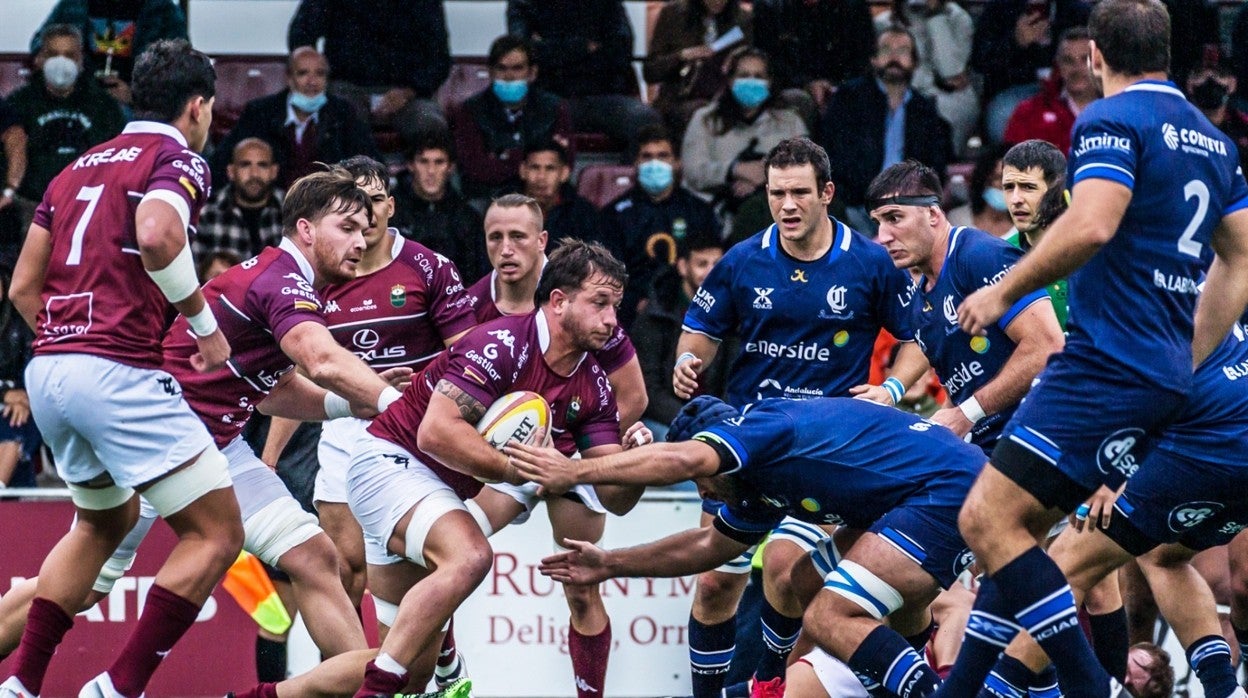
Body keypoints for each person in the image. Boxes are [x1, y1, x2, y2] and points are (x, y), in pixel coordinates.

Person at [937, 1, 1248, 696]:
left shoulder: (1110, 119)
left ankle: (1086, 688)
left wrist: (999, 291)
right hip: (1163, 373)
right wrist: (1186, 353)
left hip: (1104, 365)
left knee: (986, 521)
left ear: (1095, 57)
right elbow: (1244, 261)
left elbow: (1093, 225)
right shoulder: (1213, 140)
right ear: (1167, 51)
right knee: (1023, 538)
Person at [233, 240, 633, 698]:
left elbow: (615, 498)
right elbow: (435, 434)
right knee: (471, 556)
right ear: (559, 302)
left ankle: (260, 697)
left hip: (432, 490)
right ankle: (387, 687)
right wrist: (514, 469)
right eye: (600, 304)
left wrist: (630, 460)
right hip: (388, 462)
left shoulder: (595, 385)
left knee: (411, 670)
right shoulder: (500, 342)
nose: (611, 320)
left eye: (615, 306)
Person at [2, 39, 242, 698]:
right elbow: (161, 233)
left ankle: (21, 686)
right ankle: (118, 688)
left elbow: (25, 285)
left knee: (102, 523)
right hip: (116, 372)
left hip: (49, 367)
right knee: (217, 533)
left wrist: (70, 344)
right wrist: (203, 324)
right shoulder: (177, 157)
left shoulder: (73, 168)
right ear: (198, 107)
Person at [509, 394, 985, 698]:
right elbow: (707, 548)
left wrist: (574, 471)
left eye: (702, 481)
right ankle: (809, 677)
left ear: (720, 450)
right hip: (918, 497)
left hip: (945, 491)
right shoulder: (753, 484)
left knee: (829, 615)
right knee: (803, 580)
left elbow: (683, 457)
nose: (702, 494)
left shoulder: (762, 429)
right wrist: (610, 563)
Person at [673, 136, 915, 698]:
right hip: (747, 448)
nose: (787, 205)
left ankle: (773, 684)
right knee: (712, 584)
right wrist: (689, 362)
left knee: (788, 572)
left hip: (824, 451)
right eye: (777, 193)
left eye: (800, 193)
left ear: (826, 193)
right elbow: (700, 333)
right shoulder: (742, 260)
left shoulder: (870, 262)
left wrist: (894, 387)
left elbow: (917, 338)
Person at [970, 302, 1248, 698]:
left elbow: (1151, 379)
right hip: (1230, 436)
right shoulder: (1196, 271)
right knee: (1164, 556)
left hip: (1207, 440)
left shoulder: (1124, 279)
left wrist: (1116, 471)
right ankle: (1226, 690)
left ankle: (1001, 691)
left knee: (1067, 566)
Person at [304, 155, 475, 646]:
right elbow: (300, 374)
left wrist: (421, 390)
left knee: (416, 572)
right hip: (341, 428)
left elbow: (469, 360)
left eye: (375, 199)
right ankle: (345, 675)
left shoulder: (429, 266)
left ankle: (440, 658)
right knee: (344, 568)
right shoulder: (320, 277)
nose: (368, 213)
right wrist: (271, 456)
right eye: (355, 203)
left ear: (391, 205)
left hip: (411, 434)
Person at [858, 159, 1064, 456]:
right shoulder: (918, 307)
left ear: (932, 213)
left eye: (894, 217)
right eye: (878, 223)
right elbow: (962, 391)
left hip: (1041, 436)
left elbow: (1047, 345)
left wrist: (967, 414)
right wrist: (942, 424)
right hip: (986, 451)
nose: (885, 235)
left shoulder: (979, 255)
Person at [821, 26, 952, 235]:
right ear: (874, 59)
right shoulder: (848, 99)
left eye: (902, 51)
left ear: (915, 63)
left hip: (906, 205)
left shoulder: (924, 109)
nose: (894, 57)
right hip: (856, 204)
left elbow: (935, 167)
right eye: (886, 50)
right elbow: (833, 156)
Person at [596, 124, 720, 328]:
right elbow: (606, 273)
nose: (655, 163)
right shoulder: (614, 215)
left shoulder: (699, 212)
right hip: (631, 314)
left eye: (663, 156)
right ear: (636, 163)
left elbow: (713, 268)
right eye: (647, 156)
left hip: (690, 309)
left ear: (676, 163)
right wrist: (634, 303)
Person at [287, 0, 450, 148]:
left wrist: (409, 91)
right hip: (346, 88)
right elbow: (300, 36)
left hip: (409, 95)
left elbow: (439, 59)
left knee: (431, 125)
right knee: (339, 120)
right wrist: (315, 74)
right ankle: (343, 180)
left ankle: (414, 180)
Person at [212, 47, 379, 189]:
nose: (312, 82)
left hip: (328, 208)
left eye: (319, 74)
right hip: (273, 210)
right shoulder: (259, 112)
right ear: (289, 78)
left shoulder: (343, 114)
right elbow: (222, 162)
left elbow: (372, 164)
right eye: (303, 73)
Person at [506, 0, 661, 153]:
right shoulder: (525, 3)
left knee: (646, 121)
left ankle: (622, 178)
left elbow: (621, 52)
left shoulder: (607, 4)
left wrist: (549, 49)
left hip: (601, 96)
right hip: (545, 98)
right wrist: (583, 47)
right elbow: (522, 53)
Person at [6, 24, 125, 216]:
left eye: (69, 55)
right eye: (53, 54)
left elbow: (119, 161)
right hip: (32, 206)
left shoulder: (105, 107)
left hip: (90, 206)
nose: (61, 62)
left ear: (81, 61)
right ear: (39, 59)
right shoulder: (18, 104)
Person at [680, 47, 807, 212]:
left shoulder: (790, 121)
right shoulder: (705, 119)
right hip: (715, 212)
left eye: (758, 76)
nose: (751, 81)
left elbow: (806, 168)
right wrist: (734, 170)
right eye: (744, 75)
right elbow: (693, 172)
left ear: (769, 82)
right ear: (731, 80)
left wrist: (767, 177)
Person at [630, 228, 727, 439]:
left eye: (717, 265)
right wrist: (694, 424)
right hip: (663, 419)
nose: (712, 273)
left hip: (718, 419)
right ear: (683, 267)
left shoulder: (732, 313)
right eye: (702, 264)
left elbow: (733, 380)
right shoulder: (657, 313)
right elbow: (648, 390)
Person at [451, 35, 574, 199]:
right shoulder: (470, 111)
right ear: (491, 72)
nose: (509, 76)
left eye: (517, 68)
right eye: (501, 68)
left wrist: (506, 158)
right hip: (488, 196)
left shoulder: (555, 109)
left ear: (532, 73)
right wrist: (527, 161)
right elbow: (476, 169)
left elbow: (564, 164)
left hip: (543, 196)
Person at [30, 0, 189, 105]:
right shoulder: (74, 5)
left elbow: (181, 64)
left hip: (137, 108)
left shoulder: (161, 10)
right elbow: (38, 44)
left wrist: (135, 96)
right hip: (78, 99)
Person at [874, 0, 979, 157]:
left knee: (944, 113)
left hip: (948, 96)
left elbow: (951, 72)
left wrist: (936, 16)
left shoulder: (957, 17)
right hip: (901, 91)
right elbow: (886, 71)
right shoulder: (883, 23)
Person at [971, 0, 1091, 131]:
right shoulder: (999, 9)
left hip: (1069, 87)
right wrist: (1016, 41)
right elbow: (980, 62)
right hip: (1017, 89)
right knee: (1004, 112)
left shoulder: (1078, 10)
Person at [644, 0, 753, 142]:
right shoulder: (673, 14)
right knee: (700, 112)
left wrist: (738, 61)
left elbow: (754, 62)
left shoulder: (743, 19)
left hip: (728, 94)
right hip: (681, 96)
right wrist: (682, 56)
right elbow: (650, 72)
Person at [390, 130, 489, 283]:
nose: (431, 171)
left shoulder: (467, 217)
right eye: (423, 162)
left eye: (439, 162)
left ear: (450, 167)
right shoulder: (390, 212)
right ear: (410, 165)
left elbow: (477, 277)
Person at [752, 0, 875, 122]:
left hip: (841, 85)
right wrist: (806, 84)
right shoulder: (769, 6)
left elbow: (863, 58)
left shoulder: (854, 5)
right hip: (791, 87)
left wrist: (833, 85)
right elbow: (768, 61)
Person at [1001, 139, 1070, 327]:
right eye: (1009, 187)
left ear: (1057, 191)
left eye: (1028, 187)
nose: (1016, 199)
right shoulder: (999, 257)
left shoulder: (1091, 251)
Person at [1003, 28, 1099, 154]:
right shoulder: (1028, 112)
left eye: (1084, 60)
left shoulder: (1118, 110)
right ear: (1058, 64)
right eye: (1068, 61)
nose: (1077, 69)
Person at [194, 137, 284, 261]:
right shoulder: (206, 212)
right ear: (231, 172)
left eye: (262, 165)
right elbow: (195, 270)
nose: (254, 174)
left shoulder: (292, 210)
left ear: (274, 171)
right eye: (245, 165)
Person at [516, 141, 599, 244]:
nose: (541, 177)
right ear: (523, 170)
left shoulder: (583, 214)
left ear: (564, 173)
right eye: (535, 168)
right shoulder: (502, 208)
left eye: (550, 169)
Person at [0, 262, 37, 489]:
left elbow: (36, 360)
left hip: (23, 400)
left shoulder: (18, 320)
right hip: (5, 397)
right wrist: (5, 394)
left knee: (17, 419)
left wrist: (25, 395)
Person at [1185, 57, 1248, 174]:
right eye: (1200, 74)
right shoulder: (1177, 126)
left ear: (1232, 84)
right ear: (1189, 84)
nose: (1210, 79)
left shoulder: (1244, 127)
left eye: (1219, 74)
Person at [947, 146, 1013, 238]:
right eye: (998, 177)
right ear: (984, 179)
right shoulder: (957, 219)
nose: (1005, 184)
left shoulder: (1027, 229)